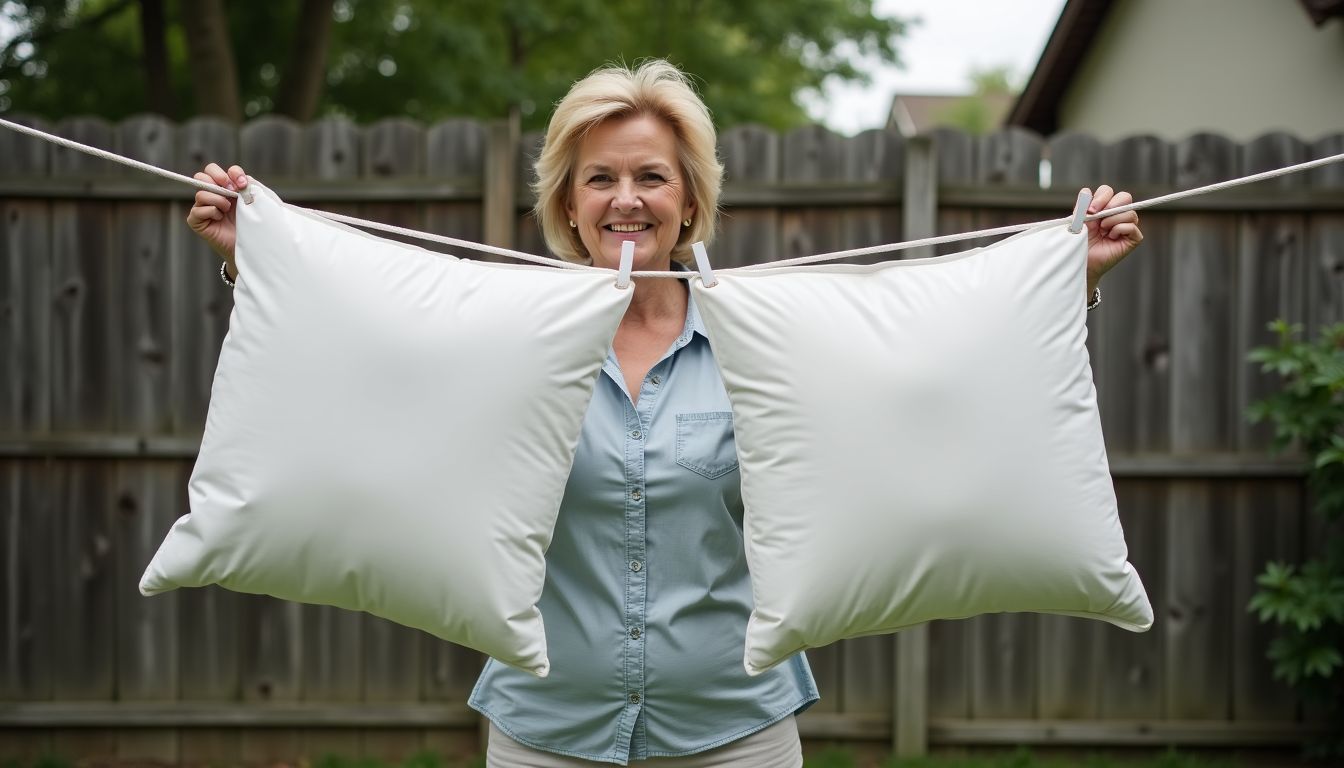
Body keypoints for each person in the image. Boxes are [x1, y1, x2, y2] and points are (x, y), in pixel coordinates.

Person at [187, 59, 1142, 767]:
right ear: (568, 199)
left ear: (689, 201)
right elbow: (361, 371)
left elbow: (935, 384)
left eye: (650, 176)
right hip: (544, 733)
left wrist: (1074, 279)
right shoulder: (495, 339)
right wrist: (250, 255)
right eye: (600, 177)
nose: (626, 199)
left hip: (737, 734)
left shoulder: (767, 339)